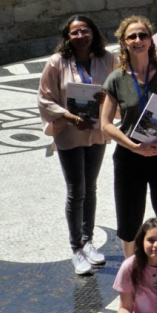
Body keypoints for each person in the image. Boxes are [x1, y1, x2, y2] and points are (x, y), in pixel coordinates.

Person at [38, 15, 117, 275]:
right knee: (76, 189)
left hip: (96, 132)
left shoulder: (107, 59)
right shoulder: (56, 62)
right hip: (70, 132)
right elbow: (45, 99)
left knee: (91, 187)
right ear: (67, 37)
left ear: (93, 32)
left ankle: (88, 241)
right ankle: (76, 249)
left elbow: (116, 88)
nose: (80, 36)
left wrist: (107, 98)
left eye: (84, 31)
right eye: (74, 33)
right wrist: (72, 117)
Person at [101, 16, 157, 257]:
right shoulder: (116, 79)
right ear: (124, 43)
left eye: (143, 35)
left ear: (151, 40)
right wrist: (133, 147)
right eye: (132, 36)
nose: (138, 40)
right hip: (130, 157)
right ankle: (131, 270)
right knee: (129, 216)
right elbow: (106, 124)